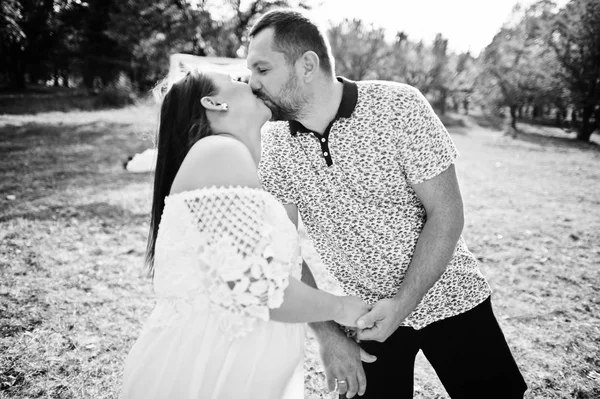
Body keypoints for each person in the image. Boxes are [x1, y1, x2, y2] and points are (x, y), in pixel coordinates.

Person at [247, 9, 528, 399]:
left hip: (452, 297)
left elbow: (446, 213)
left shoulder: (399, 106)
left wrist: (402, 303)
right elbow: (283, 251)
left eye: (262, 69)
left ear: (307, 65)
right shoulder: (273, 143)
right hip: (363, 317)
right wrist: (329, 335)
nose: (252, 83)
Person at [120, 69, 371, 399]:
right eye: (236, 79)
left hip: (241, 365)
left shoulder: (232, 161)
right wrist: (341, 308)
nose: (251, 82)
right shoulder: (219, 151)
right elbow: (257, 288)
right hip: (212, 369)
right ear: (214, 102)